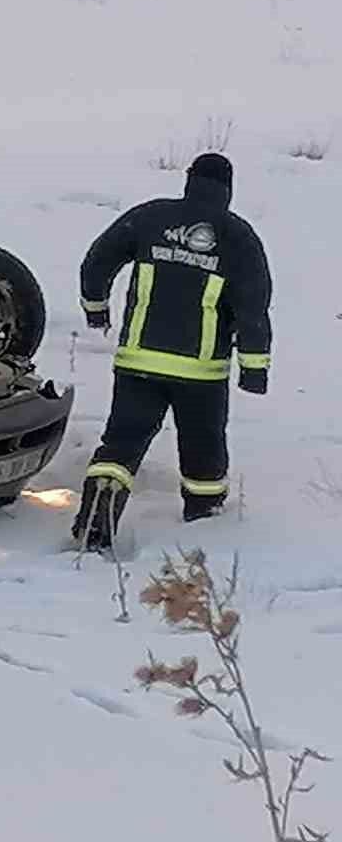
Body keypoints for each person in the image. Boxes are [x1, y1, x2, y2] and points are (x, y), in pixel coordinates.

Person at [72, 152, 272, 550]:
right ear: (228, 189)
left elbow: (96, 263)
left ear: (189, 180)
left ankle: (95, 522)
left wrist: (96, 310)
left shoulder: (150, 218)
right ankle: (204, 520)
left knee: (122, 443)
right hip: (201, 374)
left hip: (138, 363)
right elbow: (253, 305)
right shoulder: (237, 236)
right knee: (203, 449)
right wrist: (254, 368)